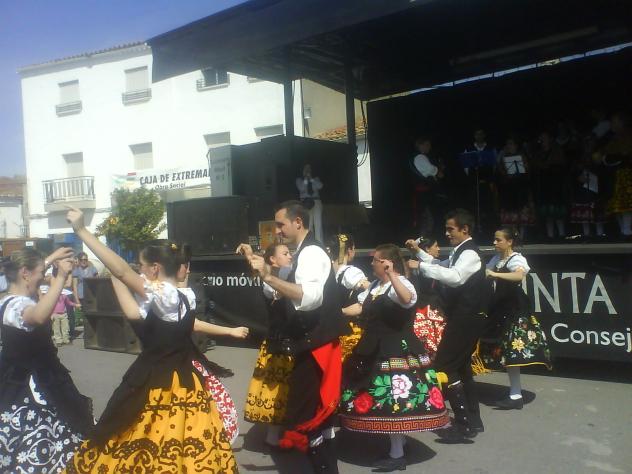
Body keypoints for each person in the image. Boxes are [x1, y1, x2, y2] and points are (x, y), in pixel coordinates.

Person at [64, 207, 247, 473]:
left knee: (147, 436)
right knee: (180, 440)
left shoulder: (165, 296)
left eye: (141, 265)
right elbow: (132, 311)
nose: (138, 270)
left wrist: (82, 230)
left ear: (155, 268)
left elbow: (122, 271)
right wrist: (117, 277)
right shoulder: (181, 296)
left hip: (159, 381)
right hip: (181, 379)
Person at [246, 200, 347, 473]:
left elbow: (310, 298)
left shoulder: (312, 253)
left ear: (298, 222)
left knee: (311, 414)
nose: (277, 230)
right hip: (309, 343)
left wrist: (269, 277)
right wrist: (265, 272)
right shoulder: (300, 253)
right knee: (312, 413)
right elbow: (278, 292)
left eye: (281, 224)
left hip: (317, 345)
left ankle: (324, 468)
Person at [339, 244, 449, 471]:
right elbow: (360, 306)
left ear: (387, 262)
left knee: (393, 399)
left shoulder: (401, 283)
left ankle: (397, 454)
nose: (371, 263)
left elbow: (407, 299)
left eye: (375, 260)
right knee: (386, 399)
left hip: (396, 349)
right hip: (374, 346)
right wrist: (336, 313)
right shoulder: (376, 286)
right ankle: (399, 444)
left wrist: (392, 275)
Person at [0, 247, 93, 473]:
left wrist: (50, 259)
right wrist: (60, 278)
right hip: (29, 384)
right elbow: (38, 316)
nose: (43, 277)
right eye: (41, 272)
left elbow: (30, 274)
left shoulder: (10, 298)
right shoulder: (15, 304)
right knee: (41, 436)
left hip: (41, 376)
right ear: (25, 273)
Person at [413, 209, 491, 442]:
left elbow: (455, 277)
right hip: (464, 316)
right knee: (462, 366)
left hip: (467, 317)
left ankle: (464, 425)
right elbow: (440, 264)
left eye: (451, 229)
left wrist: (420, 267)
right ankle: (473, 420)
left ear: (464, 229)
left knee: (445, 365)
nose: (447, 233)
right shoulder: (460, 252)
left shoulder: (470, 254)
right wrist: (417, 252)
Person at [485, 227, 551, 409]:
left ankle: (515, 395)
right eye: (494, 239)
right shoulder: (496, 259)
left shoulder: (517, 259)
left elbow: (518, 275)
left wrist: (495, 274)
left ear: (509, 242)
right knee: (506, 353)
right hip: (501, 308)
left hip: (515, 310)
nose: (494, 242)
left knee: (513, 352)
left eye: (498, 240)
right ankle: (515, 394)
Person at [238, 241, 294, 448]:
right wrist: (251, 257)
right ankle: (273, 436)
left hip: (291, 340)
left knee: (291, 387)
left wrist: (251, 255)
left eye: (290, 253)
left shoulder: (285, 275)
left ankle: (291, 430)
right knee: (277, 388)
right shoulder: (271, 283)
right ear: (273, 259)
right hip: (280, 343)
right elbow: (264, 274)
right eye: (285, 253)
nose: (290, 256)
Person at [326, 233, 369, 361]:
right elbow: (372, 291)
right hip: (350, 330)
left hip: (330, 329)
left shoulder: (326, 271)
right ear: (349, 250)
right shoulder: (351, 272)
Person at [405, 236, 446, 359]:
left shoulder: (417, 265)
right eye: (436, 246)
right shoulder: (419, 265)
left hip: (425, 309)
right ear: (427, 249)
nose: (439, 249)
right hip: (426, 310)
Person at [531, 131, 569, 240]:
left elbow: (561, 165)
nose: (542, 140)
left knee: (558, 212)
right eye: (541, 138)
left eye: (545, 137)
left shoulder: (556, 150)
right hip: (544, 185)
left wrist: (548, 166)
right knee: (547, 213)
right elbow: (535, 166)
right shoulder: (538, 153)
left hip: (556, 185)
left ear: (549, 139)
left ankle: (562, 235)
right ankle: (550, 235)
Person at [496, 136, 535, 240]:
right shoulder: (504, 156)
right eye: (508, 144)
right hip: (509, 188)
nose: (509, 146)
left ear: (516, 145)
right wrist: (505, 173)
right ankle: (513, 236)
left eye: (511, 144)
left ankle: (522, 236)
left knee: (521, 210)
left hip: (520, 187)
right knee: (511, 212)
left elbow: (527, 169)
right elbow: (500, 170)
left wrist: (523, 168)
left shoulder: (522, 155)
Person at [601, 112, 632, 238]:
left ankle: (627, 231)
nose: (612, 124)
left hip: (627, 175)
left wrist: (613, 157)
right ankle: (624, 231)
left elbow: (624, 154)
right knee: (617, 205)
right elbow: (606, 154)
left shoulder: (628, 135)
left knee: (626, 204)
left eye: (614, 122)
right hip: (616, 176)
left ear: (621, 122)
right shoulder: (614, 138)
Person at [411, 136, 444, 234]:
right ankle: (424, 238)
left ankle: (427, 236)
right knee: (426, 217)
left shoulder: (422, 157)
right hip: (423, 192)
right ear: (420, 145)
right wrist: (439, 170)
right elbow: (432, 170)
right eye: (427, 145)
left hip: (425, 191)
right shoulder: (419, 157)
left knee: (428, 217)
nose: (429, 147)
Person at [296, 163, 324, 243]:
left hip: (316, 201)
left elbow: (320, 186)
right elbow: (301, 188)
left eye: (309, 169)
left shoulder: (315, 179)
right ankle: (310, 242)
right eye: (306, 169)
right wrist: (306, 179)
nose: (307, 170)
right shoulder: (299, 180)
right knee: (308, 224)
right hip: (305, 203)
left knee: (318, 224)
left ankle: (319, 243)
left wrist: (311, 179)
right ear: (303, 170)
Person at [50, 266, 78, 346]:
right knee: (56, 325)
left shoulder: (69, 273)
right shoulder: (53, 274)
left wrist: (58, 284)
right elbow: (52, 285)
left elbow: (69, 284)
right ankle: (59, 340)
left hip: (67, 296)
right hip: (57, 298)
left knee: (68, 320)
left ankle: (67, 337)